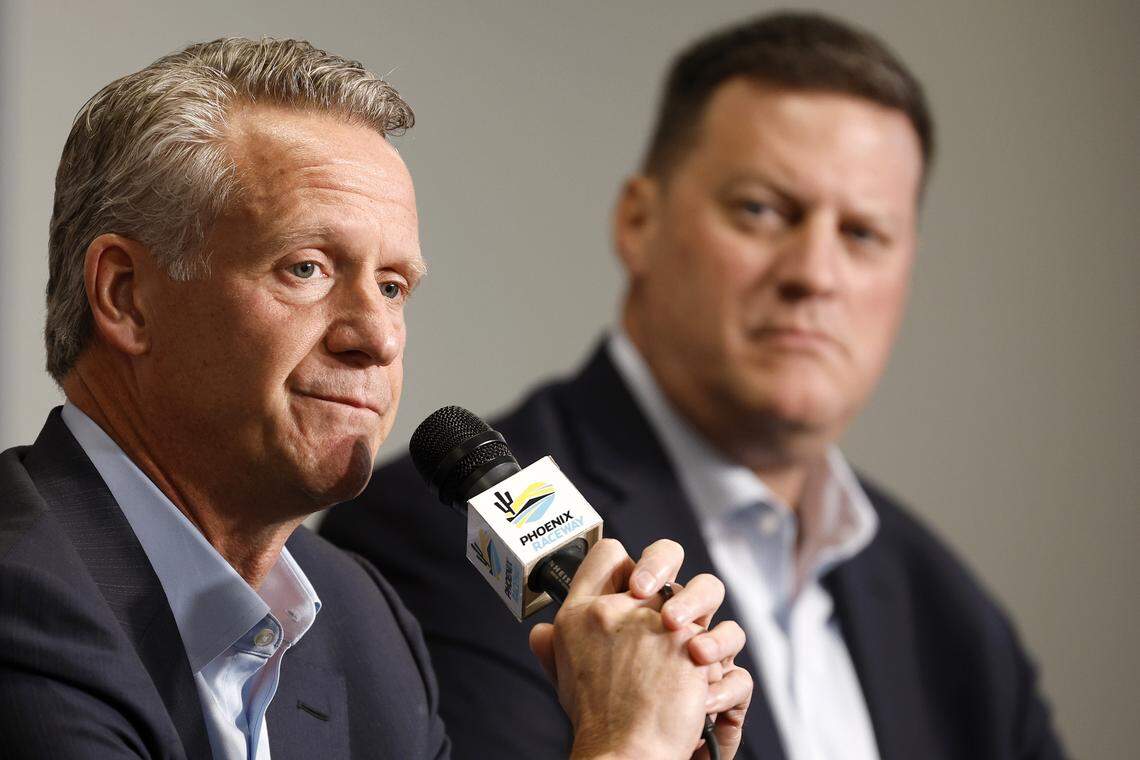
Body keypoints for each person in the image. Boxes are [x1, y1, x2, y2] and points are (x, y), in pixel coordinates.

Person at [322, 11, 1068, 760]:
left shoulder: (957, 622)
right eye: (763, 211)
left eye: (863, 234)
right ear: (638, 222)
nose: (815, 273)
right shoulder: (444, 535)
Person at [0, 37, 753, 760]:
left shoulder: (362, 624)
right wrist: (627, 744)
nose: (378, 337)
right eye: (307, 268)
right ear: (127, 297)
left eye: (393, 287)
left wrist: (665, 729)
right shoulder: (22, 598)